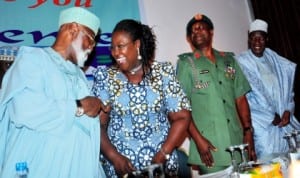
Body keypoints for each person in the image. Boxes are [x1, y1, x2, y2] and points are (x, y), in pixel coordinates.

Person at [0, 7, 109, 178]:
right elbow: (24, 110)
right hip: (39, 167)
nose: (92, 47)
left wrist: (97, 120)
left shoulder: (79, 76)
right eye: (91, 40)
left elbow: (79, 123)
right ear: (73, 29)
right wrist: (80, 106)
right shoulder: (34, 58)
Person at [92, 19, 194, 177]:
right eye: (112, 47)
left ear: (137, 44)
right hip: (122, 170)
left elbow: (182, 117)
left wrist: (162, 154)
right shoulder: (106, 78)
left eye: (121, 46)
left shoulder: (162, 73)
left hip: (162, 167)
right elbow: (97, 125)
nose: (115, 52)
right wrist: (114, 157)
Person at [176, 13, 256, 174]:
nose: (197, 32)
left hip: (238, 142)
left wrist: (248, 133)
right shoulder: (186, 63)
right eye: (192, 31)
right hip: (209, 148)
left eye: (201, 28)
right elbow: (180, 107)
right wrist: (198, 141)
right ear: (189, 39)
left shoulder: (228, 60)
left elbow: (241, 99)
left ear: (211, 32)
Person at [236, 19, 300, 158]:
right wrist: (270, 115)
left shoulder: (274, 59)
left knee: (291, 165)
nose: (257, 42)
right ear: (249, 39)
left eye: (261, 38)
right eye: (253, 38)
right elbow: (244, 97)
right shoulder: (241, 61)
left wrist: (288, 110)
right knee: (270, 166)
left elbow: (287, 90)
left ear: (267, 39)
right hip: (262, 125)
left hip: (284, 124)